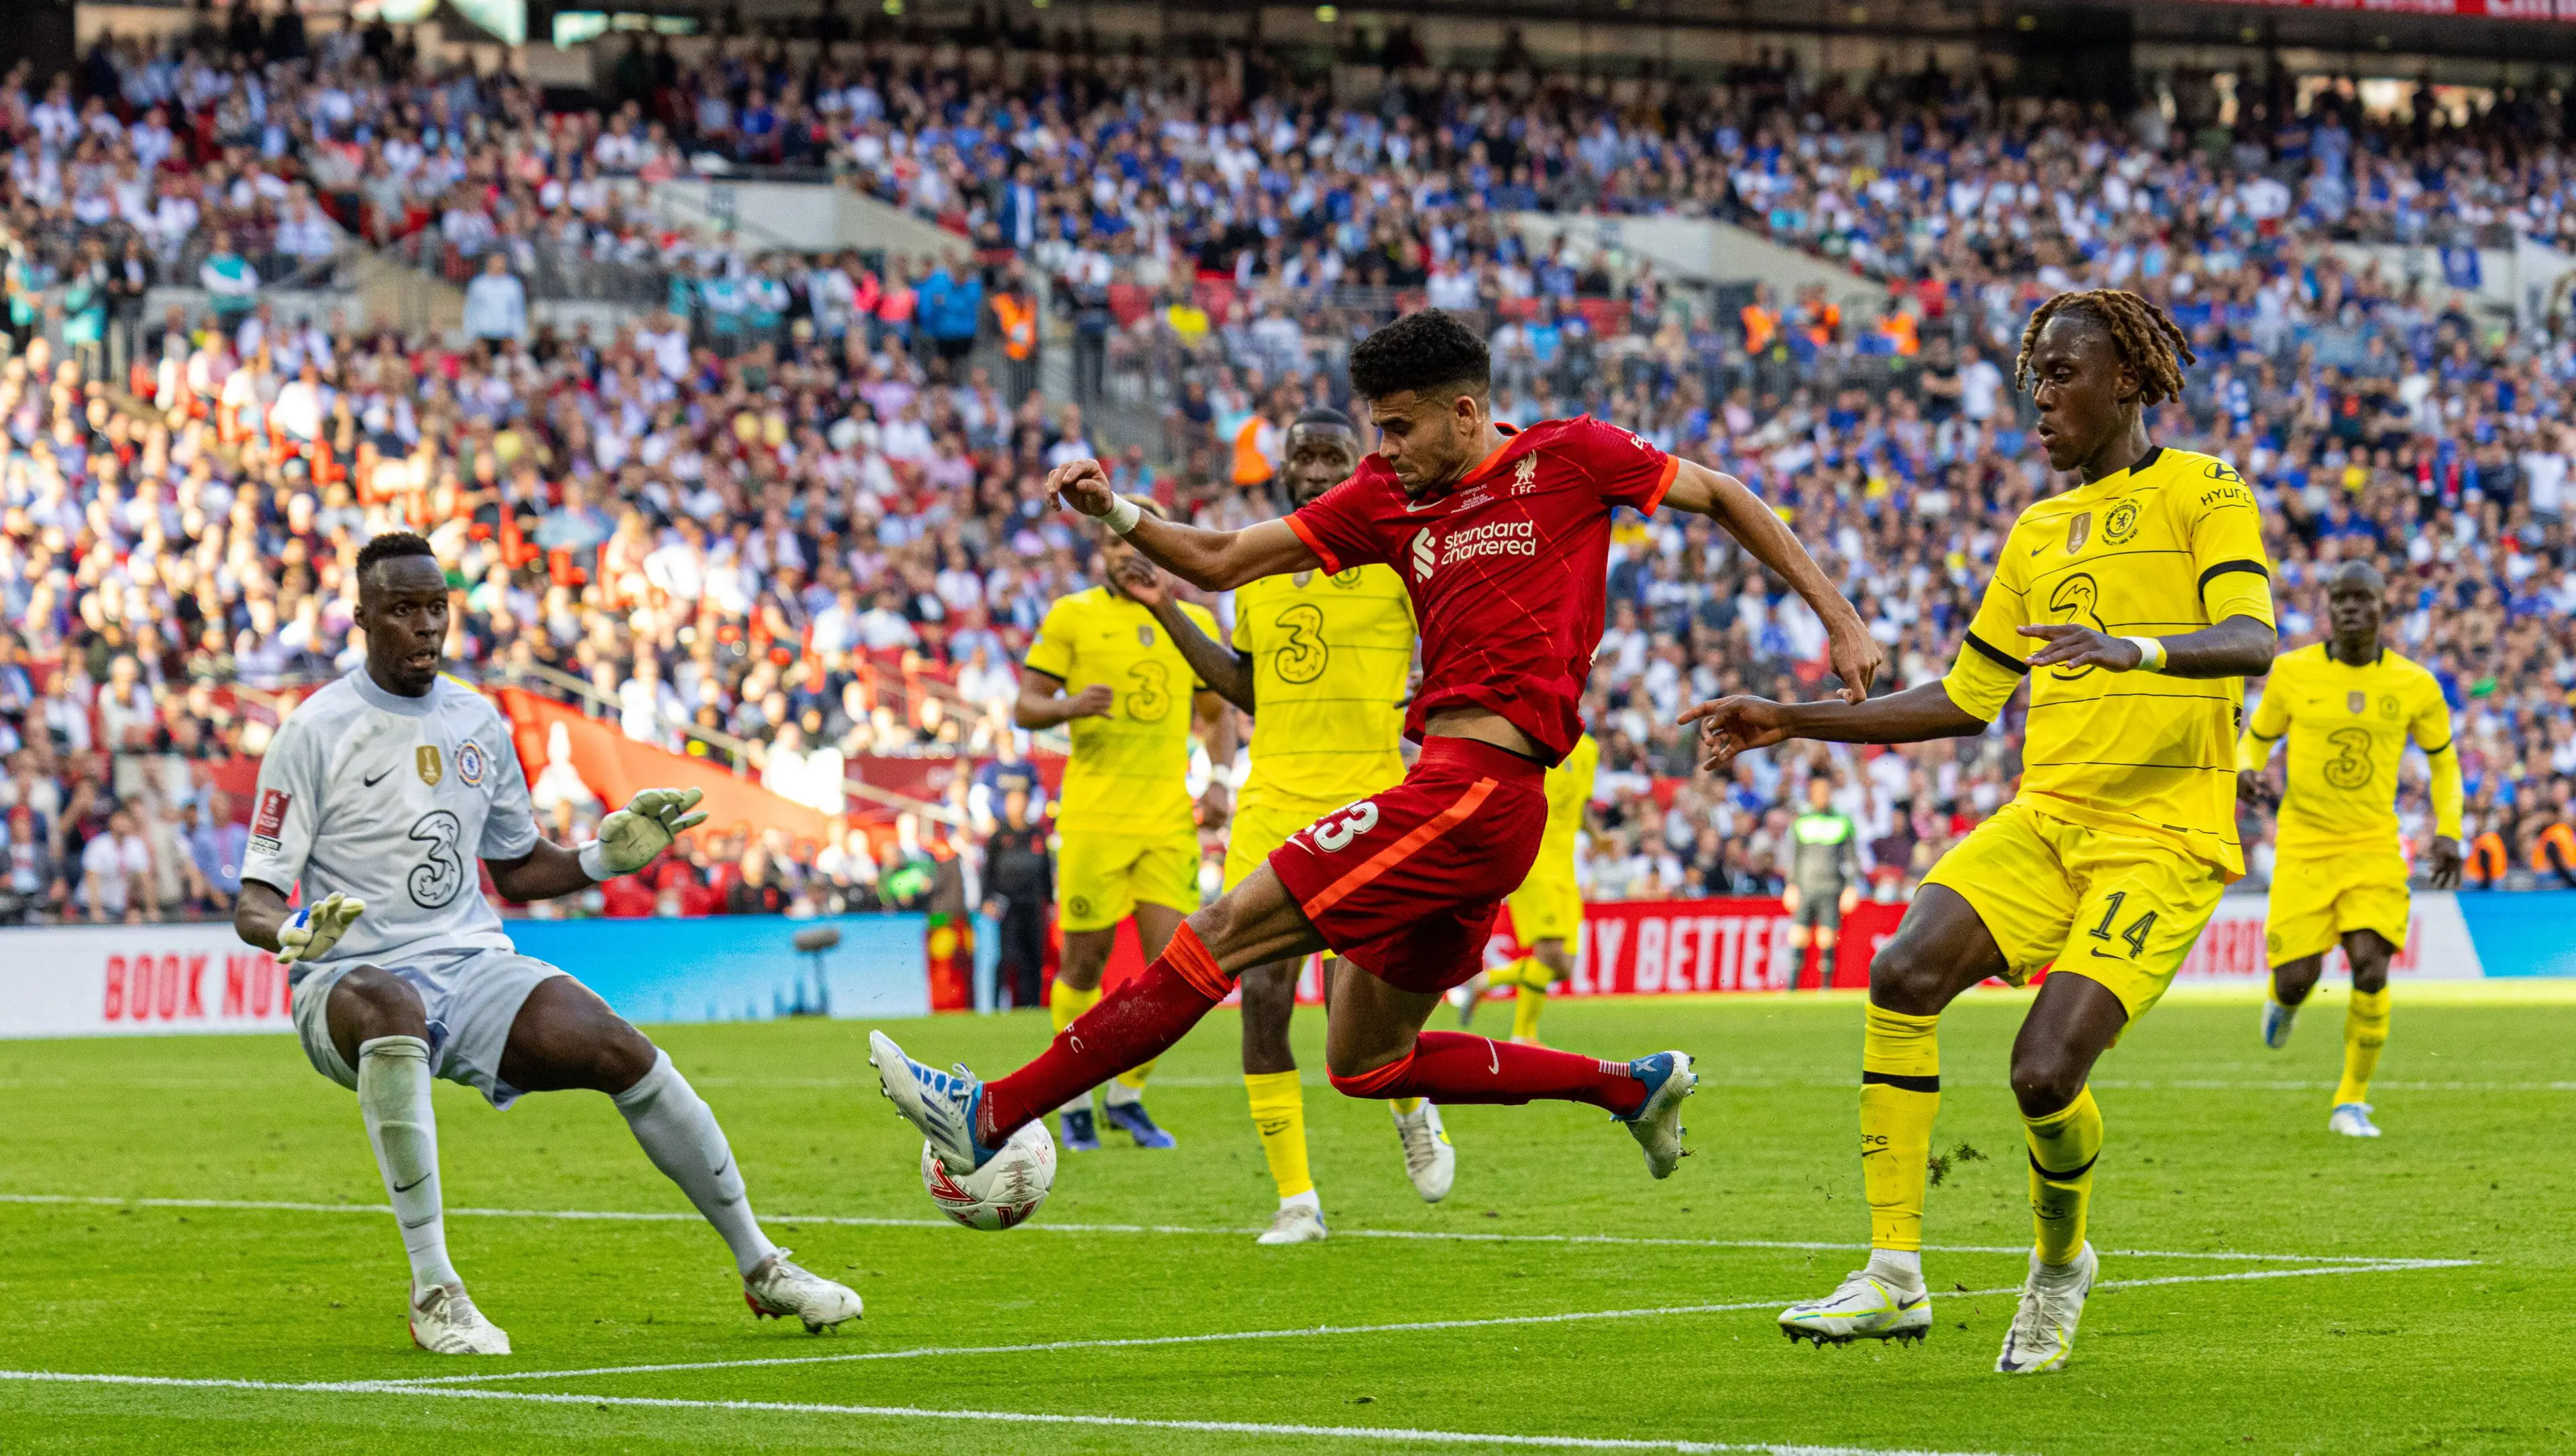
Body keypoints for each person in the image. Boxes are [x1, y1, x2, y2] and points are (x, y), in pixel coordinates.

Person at [870, 307, 1879, 1206]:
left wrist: (1837, 618)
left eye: (1398, 427)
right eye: (1374, 429)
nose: (1381, 448)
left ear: (1468, 412)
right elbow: (1223, 557)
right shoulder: (1382, 499)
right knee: (1364, 1057)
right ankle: (1630, 1086)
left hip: (1476, 790)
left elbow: (1724, 493)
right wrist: (1120, 514)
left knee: (1221, 930)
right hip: (1462, 797)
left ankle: (992, 1111)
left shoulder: (1574, 456)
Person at [1686, 289, 2276, 1375]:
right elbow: (1965, 697)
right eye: (2032, 379)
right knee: (1902, 972)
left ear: (2129, 381)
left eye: (2061, 375)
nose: (2038, 399)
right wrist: (1790, 717)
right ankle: (1893, 1277)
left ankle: (2060, 1267)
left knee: (2043, 1075)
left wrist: (2132, 649)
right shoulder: (2036, 531)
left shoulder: (2205, 489)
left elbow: (2252, 638)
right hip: (2047, 820)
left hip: (2163, 837)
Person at [233, 532, 860, 1355]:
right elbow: (254, 900)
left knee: (619, 1048)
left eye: (436, 609)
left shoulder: (477, 720)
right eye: (402, 610)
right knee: (394, 1007)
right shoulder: (313, 731)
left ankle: (763, 1264)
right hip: (347, 978)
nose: (425, 627)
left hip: (468, 962)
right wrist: (294, 932)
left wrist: (606, 857)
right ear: (362, 618)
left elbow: (519, 869)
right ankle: (436, 1293)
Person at [1143, 406, 1454, 1245]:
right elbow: (1247, 690)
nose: (1315, 473)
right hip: (1271, 802)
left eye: (1331, 458)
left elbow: (1452, 645)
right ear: (1282, 468)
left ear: (1362, 465)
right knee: (1262, 998)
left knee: (1360, 1004)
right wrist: (1170, 612)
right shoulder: (1259, 567)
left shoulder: (1398, 554)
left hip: (1366, 802)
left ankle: (1412, 1105)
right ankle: (1297, 1202)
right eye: (1302, 458)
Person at [1010, 504, 1236, 1151]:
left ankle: (1127, 1097)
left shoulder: (1188, 622)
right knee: (1084, 963)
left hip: (1168, 819)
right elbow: (1024, 706)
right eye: (1112, 543)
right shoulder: (1071, 616)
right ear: (1097, 554)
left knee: (1178, 970)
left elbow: (1217, 712)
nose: (1124, 551)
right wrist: (1068, 706)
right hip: (1093, 819)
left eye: (1134, 539)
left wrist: (1219, 780)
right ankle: (1074, 1101)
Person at [2238, 560, 2463, 1139]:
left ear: (2384, 607)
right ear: (2329, 609)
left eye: (2362, 599)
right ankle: (2283, 1003)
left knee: (2370, 965)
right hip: (2305, 846)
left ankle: (2352, 1101)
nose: (2350, 609)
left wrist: (2450, 829)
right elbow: (2258, 739)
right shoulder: (2292, 673)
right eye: (2340, 599)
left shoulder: (2415, 685)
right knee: (2297, 979)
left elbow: (2443, 763)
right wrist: (2245, 770)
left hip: (2372, 848)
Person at [1481, 727, 1599, 1046]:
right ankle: (1523, 1035)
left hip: (1566, 866)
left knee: (1564, 967)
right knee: (1551, 955)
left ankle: (1483, 983)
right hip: (1534, 858)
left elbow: (1580, 806)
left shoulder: (1588, 749)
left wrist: (1599, 837)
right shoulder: (1529, 739)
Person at [1782, 772, 1864, 992]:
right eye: (1818, 792)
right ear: (1811, 794)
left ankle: (1825, 988)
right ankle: (1792, 987)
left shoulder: (1842, 821)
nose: (1822, 796)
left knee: (1827, 937)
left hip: (1831, 887)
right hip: (1806, 887)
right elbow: (1794, 858)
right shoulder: (1802, 821)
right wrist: (1791, 885)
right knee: (1799, 934)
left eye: (1826, 792)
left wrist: (1851, 886)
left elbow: (1850, 858)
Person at [982, 786, 1053, 1011]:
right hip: (1007, 906)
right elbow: (988, 872)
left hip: (1032, 905)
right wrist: (988, 899)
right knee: (1006, 957)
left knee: (1033, 958)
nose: (1017, 806)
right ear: (1006, 805)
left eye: (1021, 801)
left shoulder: (1036, 835)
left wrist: (1049, 901)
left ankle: (1031, 1006)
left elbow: (1045, 872)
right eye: (1013, 801)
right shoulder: (999, 837)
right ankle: (996, 1006)